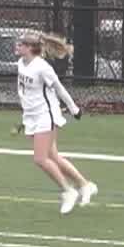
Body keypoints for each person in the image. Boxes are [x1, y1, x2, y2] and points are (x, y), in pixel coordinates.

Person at [14, 30, 97, 214]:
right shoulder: (21, 63)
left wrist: (74, 108)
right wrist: (25, 116)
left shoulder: (42, 67)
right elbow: (25, 92)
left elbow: (59, 89)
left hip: (46, 115)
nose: (17, 47)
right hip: (32, 116)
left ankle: (68, 191)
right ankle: (85, 185)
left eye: (21, 44)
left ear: (29, 48)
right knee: (53, 157)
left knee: (40, 159)